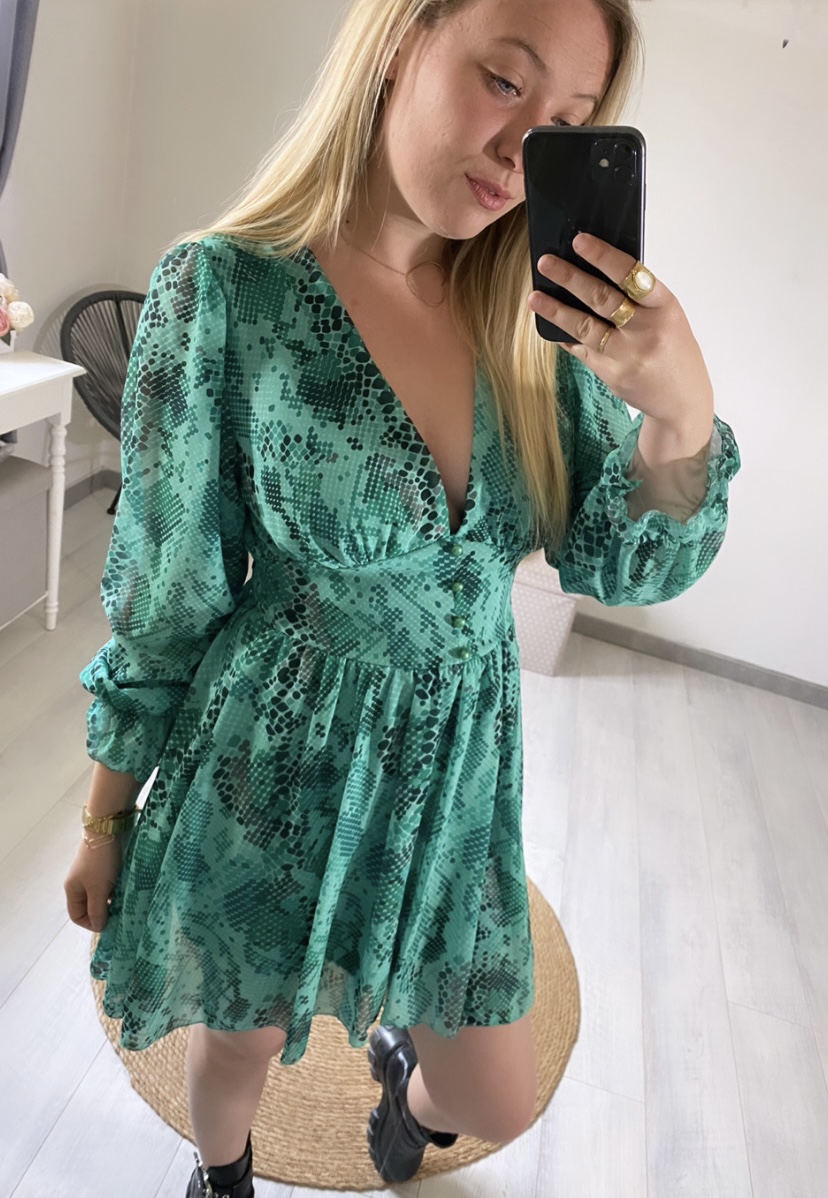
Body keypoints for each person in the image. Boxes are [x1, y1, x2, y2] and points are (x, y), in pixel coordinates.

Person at [63, 0, 740, 1194]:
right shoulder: (226, 290)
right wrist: (107, 814)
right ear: (398, 42)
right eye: (504, 81)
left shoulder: (532, 321)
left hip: (457, 775)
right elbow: (168, 587)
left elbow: (621, 562)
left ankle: (404, 1090)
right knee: (240, 1041)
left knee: (493, 1094)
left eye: (566, 122)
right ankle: (223, 1175)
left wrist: (680, 414)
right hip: (275, 757)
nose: (520, 149)